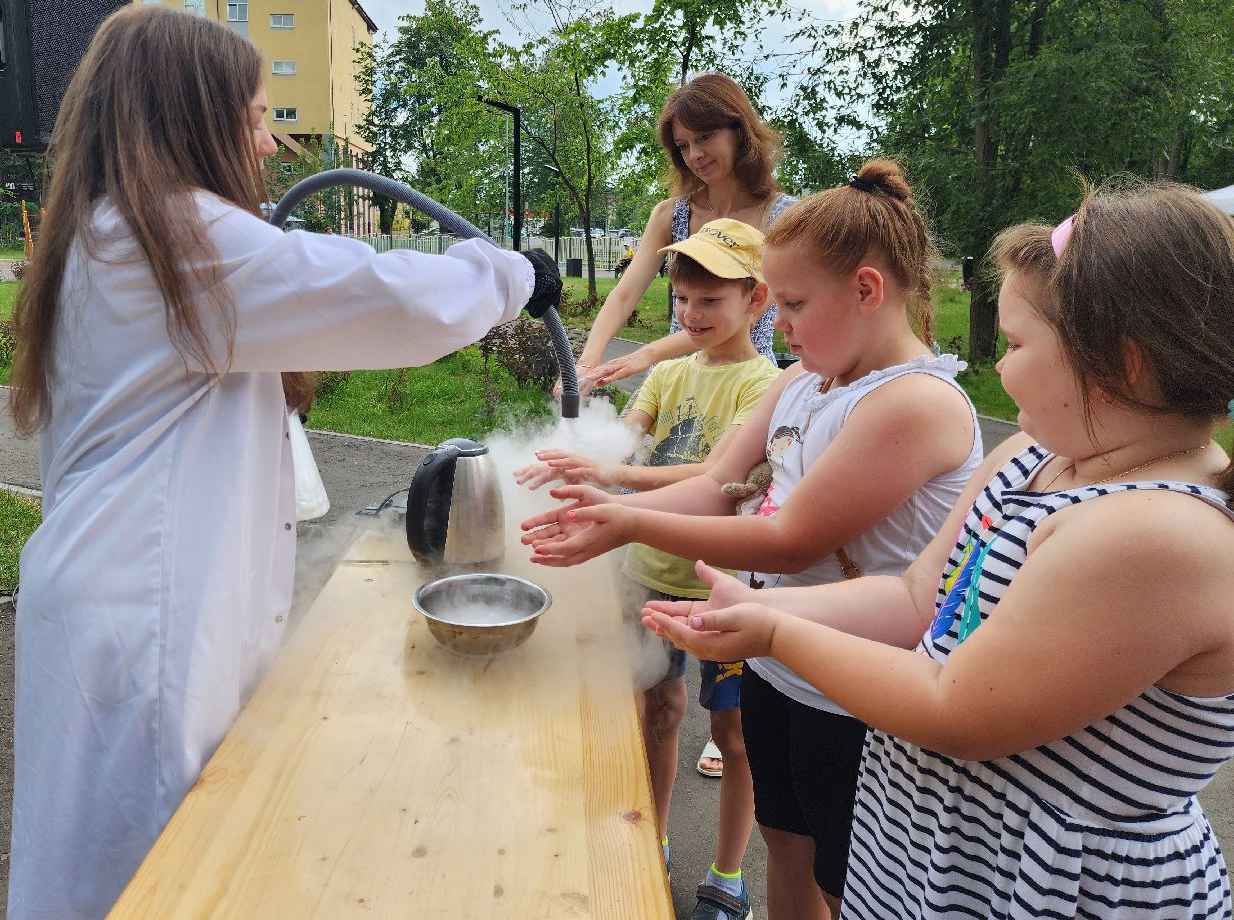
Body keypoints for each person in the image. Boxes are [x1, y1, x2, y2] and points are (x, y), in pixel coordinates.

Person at [4, 5, 562, 920]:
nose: (269, 145)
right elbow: (383, 297)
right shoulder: (173, 243)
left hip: (111, 601)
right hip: (147, 621)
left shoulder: (105, 234)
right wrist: (508, 276)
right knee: (166, 877)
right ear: (191, 115)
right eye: (258, 116)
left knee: (109, 873)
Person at [645, 182, 1234, 919]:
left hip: (1042, 882)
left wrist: (775, 630)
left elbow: (955, 708)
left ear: (1121, 362)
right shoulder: (1033, 455)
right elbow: (917, 597)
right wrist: (758, 603)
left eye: (1016, 345)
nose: (1000, 364)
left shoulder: (1159, 537)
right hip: (943, 846)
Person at [522, 159, 982, 920]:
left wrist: (627, 520)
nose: (784, 325)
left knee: (852, 884)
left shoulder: (916, 403)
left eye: (795, 303)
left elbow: (790, 539)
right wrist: (613, 500)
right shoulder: (802, 381)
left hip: (860, 695)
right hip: (782, 667)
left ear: (868, 291)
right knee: (787, 849)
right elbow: (715, 484)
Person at [517, 219, 781, 920]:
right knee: (657, 712)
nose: (692, 315)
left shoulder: (768, 387)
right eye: (683, 301)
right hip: (645, 572)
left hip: (720, 586)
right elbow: (627, 439)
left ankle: (728, 874)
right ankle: (652, 837)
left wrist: (609, 474)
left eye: (710, 301)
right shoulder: (666, 372)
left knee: (733, 735)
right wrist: (577, 437)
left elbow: (722, 476)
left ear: (757, 302)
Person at [573, 74, 795, 394]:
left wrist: (646, 354)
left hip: (745, 387)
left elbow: (747, 315)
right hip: (673, 381)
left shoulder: (785, 217)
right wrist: (585, 365)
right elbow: (623, 297)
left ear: (740, 131)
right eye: (683, 145)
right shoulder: (671, 214)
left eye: (705, 136)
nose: (695, 155)